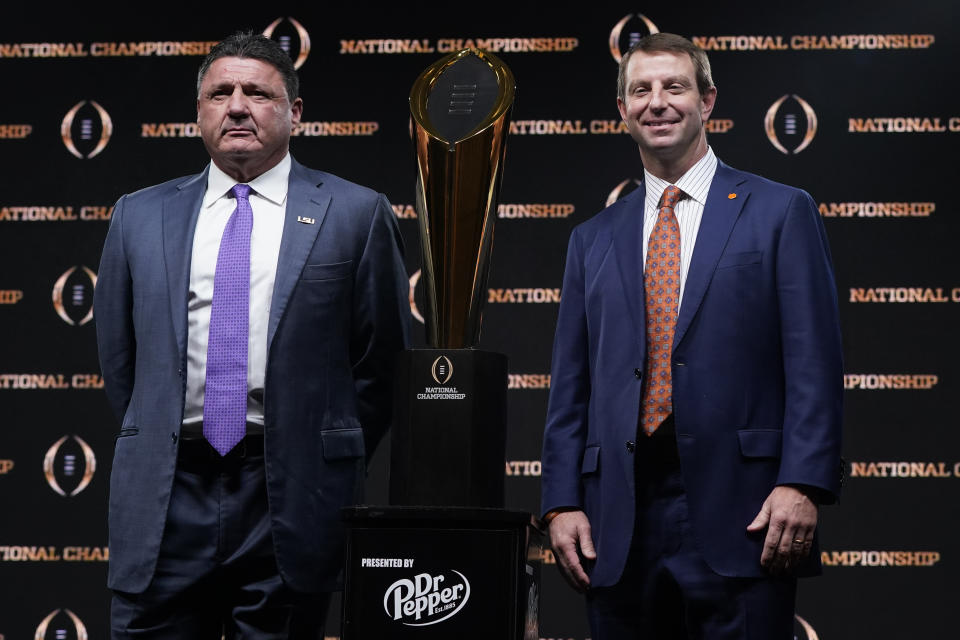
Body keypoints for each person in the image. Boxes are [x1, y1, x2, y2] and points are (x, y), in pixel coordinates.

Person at [94, 31, 410, 638]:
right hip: (166, 493)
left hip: (288, 497)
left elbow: (380, 364)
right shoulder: (138, 214)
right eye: (220, 92)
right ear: (199, 114)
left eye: (257, 92)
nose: (236, 105)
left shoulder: (356, 212)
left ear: (295, 113)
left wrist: (315, 453)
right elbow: (121, 360)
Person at [540, 33, 842, 638]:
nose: (657, 102)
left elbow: (813, 362)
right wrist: (561, 500)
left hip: (748, 511)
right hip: (617, 519)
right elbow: (571, 386)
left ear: (707, 102)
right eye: (640, 90)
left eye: (674, 87)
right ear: (621, 112)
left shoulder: (781, 211)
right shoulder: (591, 238)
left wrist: (802, 483)